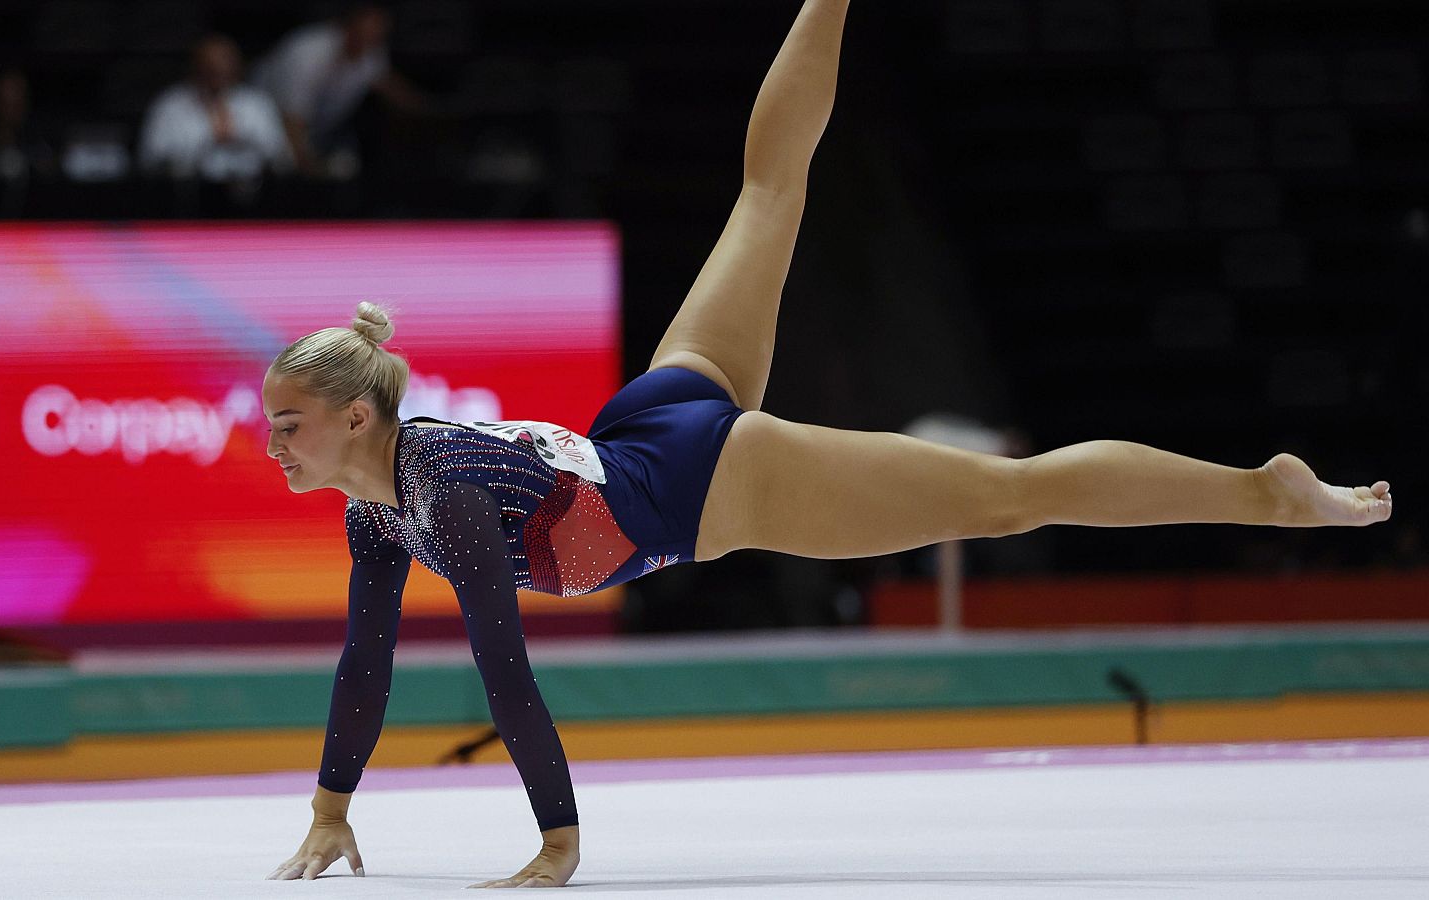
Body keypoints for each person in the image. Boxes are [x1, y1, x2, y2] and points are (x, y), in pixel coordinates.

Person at [262, 0, 1392, 887]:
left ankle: (1267, 494)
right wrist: (328, 811)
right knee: (767, 192)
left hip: (699, 486)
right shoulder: (379, 505)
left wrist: (557, 841)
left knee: (1007, 497)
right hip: (641, 425)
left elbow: (501, 667)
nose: (273, 446)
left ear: (355, 416)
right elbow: (368, 657)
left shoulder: (443, 489)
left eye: (287, 425)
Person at [253, 2, 430, 177]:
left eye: (382, 27)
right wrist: (310, 168)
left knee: (347, 164)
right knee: (287, 165)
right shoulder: (309, 52)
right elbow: (290, 118)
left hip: (317, 133)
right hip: (263, 128)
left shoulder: (371, 51)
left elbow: (389, 85)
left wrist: (431, 113)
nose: (378, 32)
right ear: (351, 22)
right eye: (372, 24)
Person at [138, 34, 293, 180]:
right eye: (209, 66)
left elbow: (282, 159)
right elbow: (151, 160)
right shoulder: (169, 105)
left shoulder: (257, 104)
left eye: (223, 65)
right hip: (188, 195)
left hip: (250, 191)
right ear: (195, 66)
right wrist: (207, 143)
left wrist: (241, 141)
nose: (216, 71)